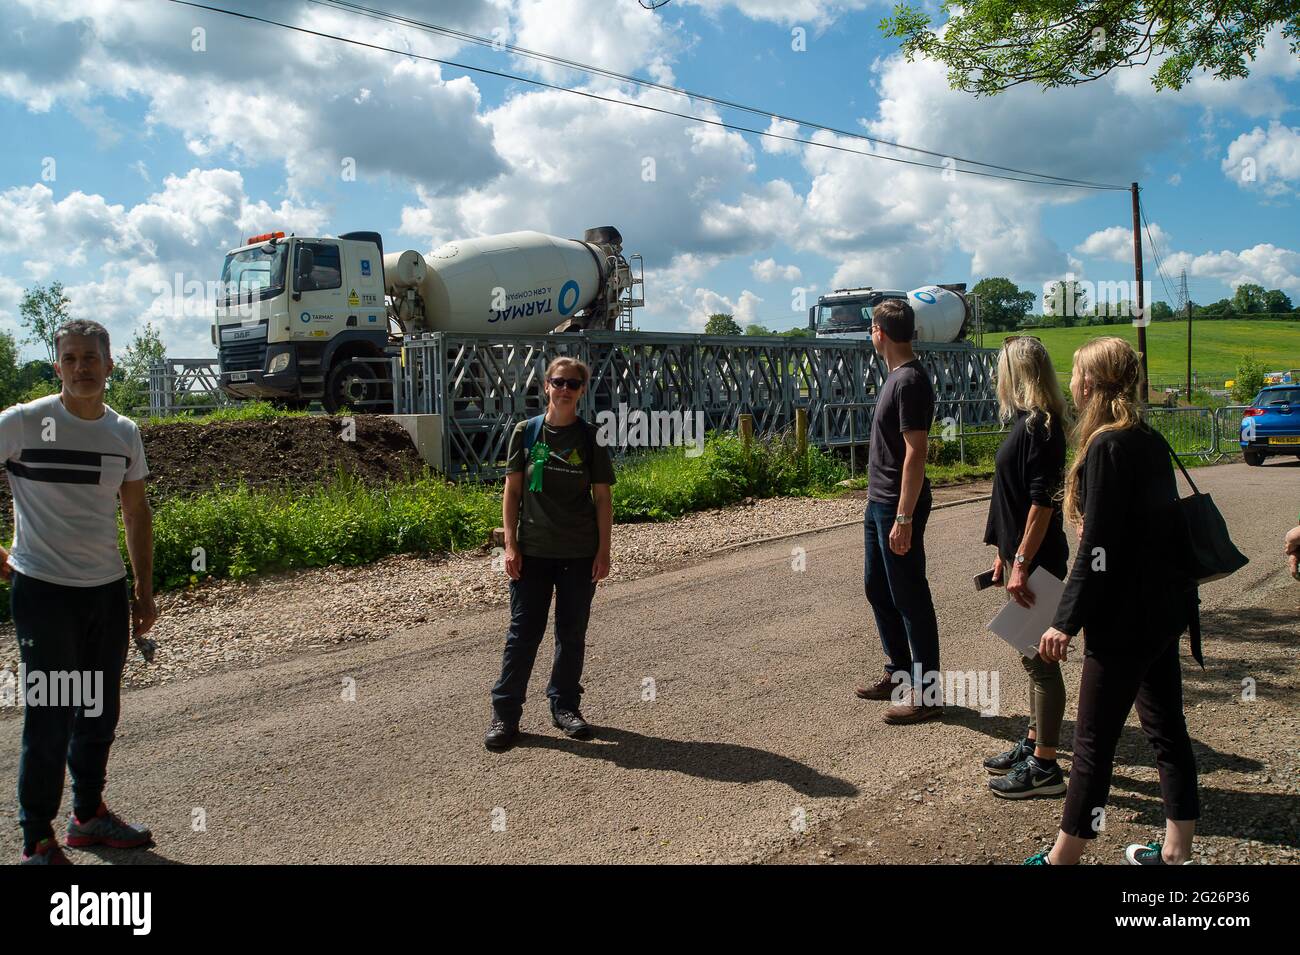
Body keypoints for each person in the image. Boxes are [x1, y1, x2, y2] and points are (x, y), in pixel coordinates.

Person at [1023, 337, 1200, 866]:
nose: (1072, 383)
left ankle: (1063, 858)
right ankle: (1176, 853)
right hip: (1162, 612)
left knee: (1094, 744)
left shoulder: (1105, 445)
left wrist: (1064, 623)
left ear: (1092, 384)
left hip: (1123, 622)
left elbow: (1098, 548)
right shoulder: (1146, 437)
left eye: (1077, 374)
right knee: (1168, 731)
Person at [1, 319, 158, 865]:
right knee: (52, 711)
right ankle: (36, 838)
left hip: (105, 592)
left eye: (90, 358)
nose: (80, 368)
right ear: (57, 367)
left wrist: (143, 589)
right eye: (69, 359)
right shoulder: (22, 423)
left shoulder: (123, 433)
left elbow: (136, 512)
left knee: (98, 710)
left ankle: (87, 816)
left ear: (109, 365)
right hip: (42, 589)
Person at [485, 356, 615, 751]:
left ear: (581, 391)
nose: (564, 389)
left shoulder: (591, 438)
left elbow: (603, 498)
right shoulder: (526, 433)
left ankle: (565, 707)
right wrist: (510, 544)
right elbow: (512, 491)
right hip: (534, 553)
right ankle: (505, 716)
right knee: (523, 635)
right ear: (546, 386)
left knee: (571, 634)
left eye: (572, 384)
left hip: (578, 552)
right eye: (558, 382)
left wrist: (604, 551)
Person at [980, 337, 1070, 799]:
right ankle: (1034, 742)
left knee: (1041, 662)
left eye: (1003, 368)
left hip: (1039, 562)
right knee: (1029, 656)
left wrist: (1020, 562)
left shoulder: (1042, 427)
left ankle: (1046, 768)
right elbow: (1010, 498)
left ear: (1017, 373)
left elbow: (1042, 504)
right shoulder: (1027, 423)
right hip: (1023, 558)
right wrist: (1002, 552)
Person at [853, 298, 943, 724]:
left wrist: (904, 517)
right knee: (878, 587)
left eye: (872, 328)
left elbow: (916, 453)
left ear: (880, 333)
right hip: (880, 502)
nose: (871, 335)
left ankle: (926, 695)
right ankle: (899, 671)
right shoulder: (896, 378)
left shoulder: (909, 382)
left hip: (897, 505)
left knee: (910, 596)